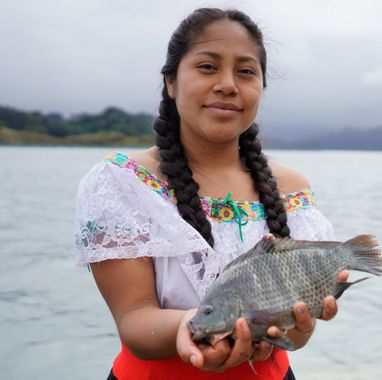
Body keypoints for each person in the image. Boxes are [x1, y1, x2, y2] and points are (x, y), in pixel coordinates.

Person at [74, 8, 345, 380]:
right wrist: (192, 326)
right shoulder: (122, 181)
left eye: (246, 71)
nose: (228, 84)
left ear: (261, 88)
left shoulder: (292, 188)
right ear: (171, 82)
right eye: (207, 67)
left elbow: (296, 337)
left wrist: (297, 329)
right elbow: (134, 319)